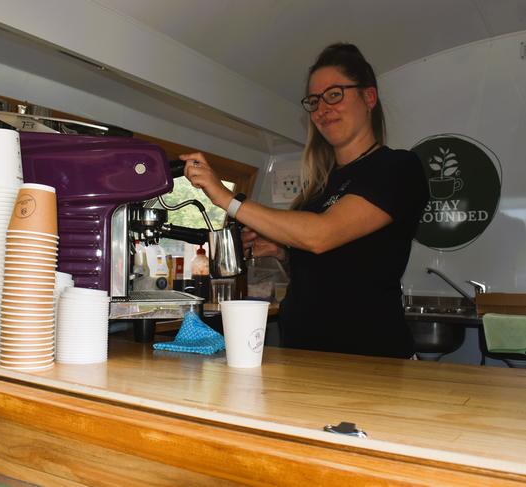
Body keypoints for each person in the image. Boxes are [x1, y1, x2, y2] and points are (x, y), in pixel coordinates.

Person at [181, 43, 429, 359]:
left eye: (335, 94)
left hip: (370, 358)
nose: (322, 109)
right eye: (314, 101)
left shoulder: (397, 167)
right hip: (302, 353)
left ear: (369, 97)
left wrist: (226, 198)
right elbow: (328, 266)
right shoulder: (319, 188)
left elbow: (320, 235)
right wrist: (282, 252)